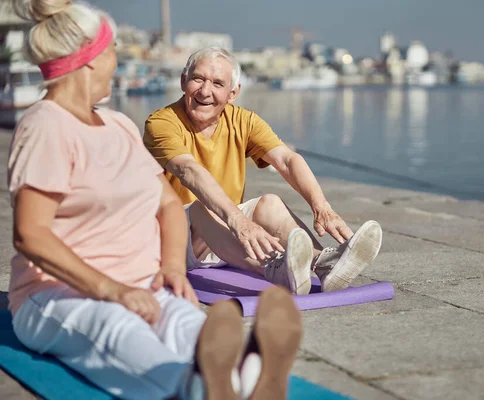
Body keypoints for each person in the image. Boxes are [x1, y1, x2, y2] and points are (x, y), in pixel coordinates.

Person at [7, 1, 301, 399]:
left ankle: (247, 375)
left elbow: (166, 205)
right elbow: (31, 235)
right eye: (112, 52)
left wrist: (171, 269)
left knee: (188, 324)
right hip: (59, 293)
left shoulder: (117, 125)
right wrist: (112, 290)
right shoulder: (45, 125)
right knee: (116, 328)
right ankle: (199, 387)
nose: (116, 61)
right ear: (90, 60)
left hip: (143, 282)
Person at [144, 47, 383, 295]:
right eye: (198, 79)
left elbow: (287, 160)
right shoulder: (161, 122)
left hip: (221, 236)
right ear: (183, 81)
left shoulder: (243, 121)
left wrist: (321, 206)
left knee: (270, 202)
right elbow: (188, 170)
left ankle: (323, 264)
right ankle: (274, 269)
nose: (205, 91)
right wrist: (238, 221)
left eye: (217, 83)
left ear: (233, 93)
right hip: (169, 239)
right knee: (203, 206)